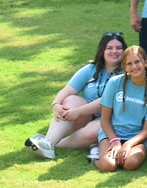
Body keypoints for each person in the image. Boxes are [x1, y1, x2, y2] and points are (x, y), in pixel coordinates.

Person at [26, 30, 126, 159]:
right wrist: (55, 104)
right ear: (102, 50)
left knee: (96, 130)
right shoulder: (91, 69)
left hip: (110, 119)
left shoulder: (126, 74)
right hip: (86, 117)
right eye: (109, 48)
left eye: (119, 48)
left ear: (124, 51)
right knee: (70, 99)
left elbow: (106, 101)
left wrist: (78, 111)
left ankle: (53, 144)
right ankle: (48, 142)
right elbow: (67, 90)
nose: (114, 51)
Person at [95, 46, 147, 172]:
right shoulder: (114, 83)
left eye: (137, 62)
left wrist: (128, 144)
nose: (134, 67)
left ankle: (124, 152)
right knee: (109, 165)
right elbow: (104, 119)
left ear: (145, 62)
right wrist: (114, 141)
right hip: (112, 135)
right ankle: (95, 156)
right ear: (124, 67)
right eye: (129, 64)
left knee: (130, 163)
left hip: (136, 138)